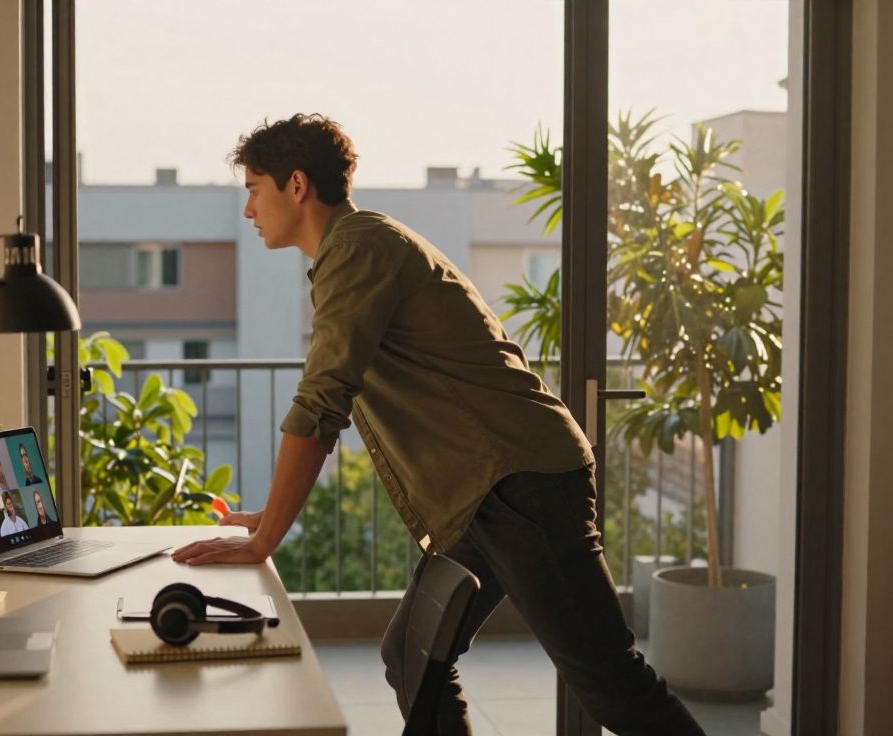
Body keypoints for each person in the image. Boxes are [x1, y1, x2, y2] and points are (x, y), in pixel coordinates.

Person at [171, 114, 705, 735]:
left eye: (253, 190)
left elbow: (321, 404)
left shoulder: (360, 248)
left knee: (612, 682)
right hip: (484, 492)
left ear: (295, 185)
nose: (247, 211)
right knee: (411, 657)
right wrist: (271, 513)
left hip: (521, 483)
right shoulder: (357, 249)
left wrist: (267, 540)